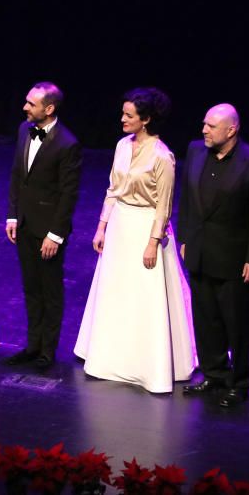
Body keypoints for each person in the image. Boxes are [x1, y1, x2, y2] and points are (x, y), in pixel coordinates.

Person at [74, 87, 195, 393]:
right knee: (116, 292)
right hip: (120, 226)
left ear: (146, 119)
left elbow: (163, 206)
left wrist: (153, 242)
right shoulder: (122, 146)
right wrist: (101, 226)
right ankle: (110, 357)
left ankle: (146, 364)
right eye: (123, 113)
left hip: (144, 228)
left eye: (129, 115)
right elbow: (113, 188)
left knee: (144, 297)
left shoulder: (162, 156)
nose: (123, 119)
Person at [179, 103, 249, 407]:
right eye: (204, 124)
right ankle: (214, 374)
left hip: (234, 258)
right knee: (205, 318)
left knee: (237, 322)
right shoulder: (196, 151)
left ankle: (240, 381)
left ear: (231, 130)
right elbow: (188, 200)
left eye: (211, 126)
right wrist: (184, 238)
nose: (203, 130)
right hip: (200, 251)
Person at [5, 82, 82, 369]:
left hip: (48, 230)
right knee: (30, 288)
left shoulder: (67, 144)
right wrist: (12, 215)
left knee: (50, 291)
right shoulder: (24, 130)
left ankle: (47, 352)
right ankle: (32, 345)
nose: (25, 107)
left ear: (48, 109)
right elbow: (16, 175)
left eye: (31, 103)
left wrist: (56, 234)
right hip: (24, 224)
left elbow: (68, 194)